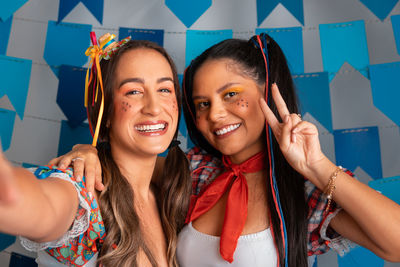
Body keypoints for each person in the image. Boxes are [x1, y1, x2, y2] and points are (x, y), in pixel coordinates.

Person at [51, 34, 400, 267]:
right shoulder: (194, 172)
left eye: (231, 94)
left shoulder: (299, 191)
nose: (215, 114)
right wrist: (89, 150)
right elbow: (125, 163)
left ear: (267, 91)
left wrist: (317, 167)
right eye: (202, 104)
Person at [0, 33, 191, 267]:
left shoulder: (172, 191)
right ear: (106, 112)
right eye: (133, 91)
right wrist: (12, 192)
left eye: (164, 90)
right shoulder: (85, 191)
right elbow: (43, 205)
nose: (154, 108)